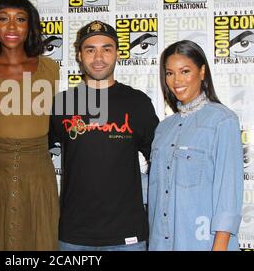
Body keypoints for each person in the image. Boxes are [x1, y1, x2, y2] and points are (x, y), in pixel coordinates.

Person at [49, 20, 159, 251]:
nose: (98, 57)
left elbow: (162, 162)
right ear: (79, 55)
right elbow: (34, 155)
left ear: (117, 53)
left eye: (106, 49)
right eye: (90, 49)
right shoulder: (62, 103)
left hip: (127, 236)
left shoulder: (138, 103)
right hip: (73, 235)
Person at [0, 0, 59, 250]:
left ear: (30, 26)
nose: (12, 26)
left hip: (37, 173)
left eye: (20, 19)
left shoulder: (50, 69)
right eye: (3, 18)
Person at [148, 40, 243, 251]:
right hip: (160, 244)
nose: (176, 80)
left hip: (202, 243)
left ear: (202, 72)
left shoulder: (223, 121)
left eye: (184, 71)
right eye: (169, 73)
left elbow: (228, 194)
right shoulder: (163, 129)